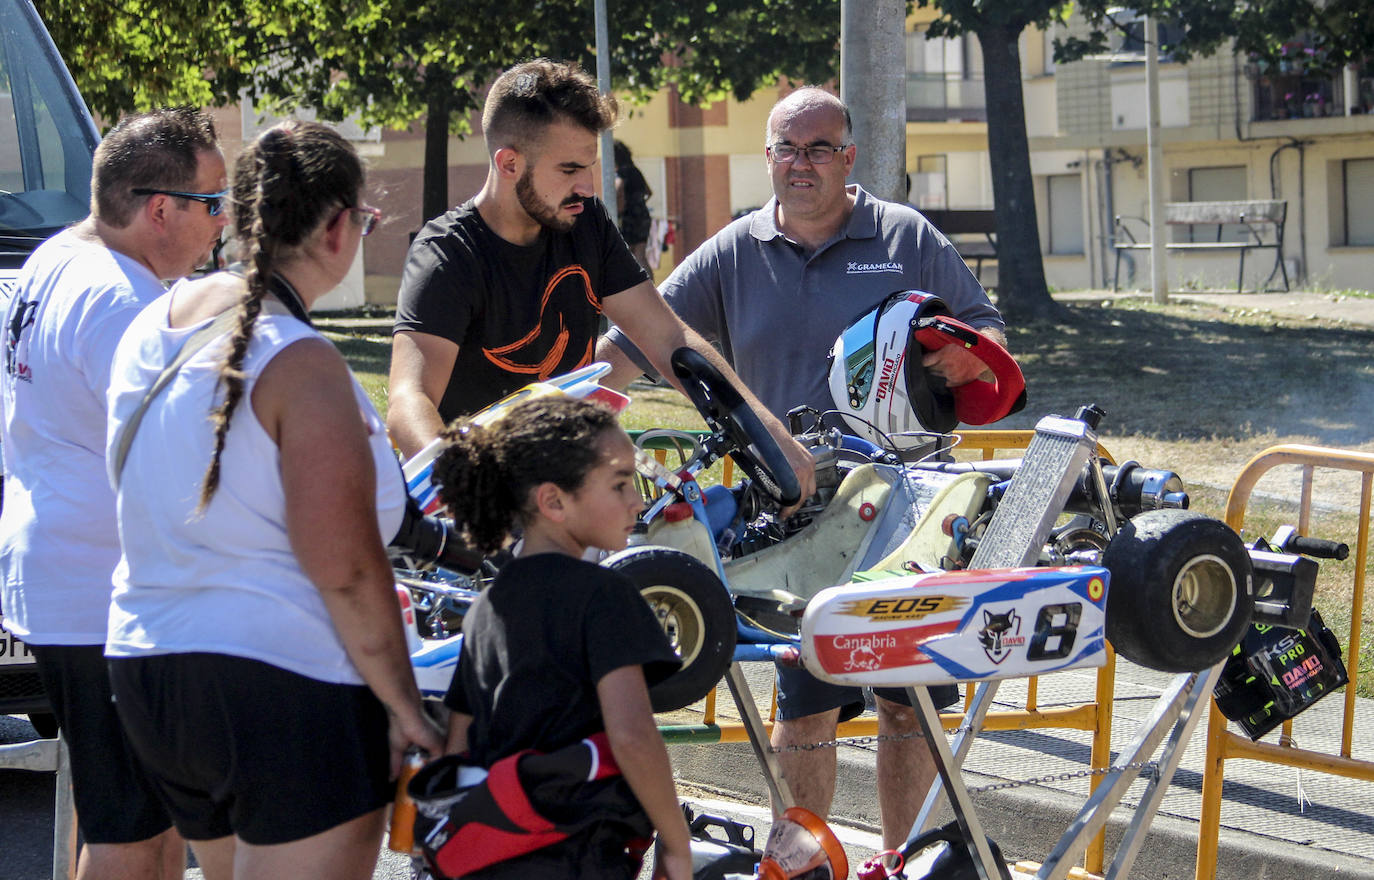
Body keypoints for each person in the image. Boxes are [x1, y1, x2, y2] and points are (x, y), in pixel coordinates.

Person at [595, 87, 1008, 847]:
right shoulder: (732, 251)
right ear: (768, 158)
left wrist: (956, 355)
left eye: (820, 148)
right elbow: (635, 339)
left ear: (849, 158)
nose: (802, 164)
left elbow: (987, 338)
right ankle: (802, 861)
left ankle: (898, 860)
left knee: (905, 701)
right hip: (791, 514)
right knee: (805, 703)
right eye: (788, 148)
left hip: (912, 512)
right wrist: (599, 393)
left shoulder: (903, 234)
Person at [104, 121, 443, 880]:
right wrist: (408, 709)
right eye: (364, 220)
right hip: (281, 679)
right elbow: (347, 570)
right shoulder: (302, 362)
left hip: (149, 671)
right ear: (334, 226)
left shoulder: (151, 323)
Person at [386, 58, 813, 506]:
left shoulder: (584, 223)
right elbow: (409, 402)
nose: (589, 188)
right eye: (570, 170)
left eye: (590, 167)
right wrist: (472, 495)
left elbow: (669, 338)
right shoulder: (448, 255)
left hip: (573, 492)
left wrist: (768, 435)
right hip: (482, 515)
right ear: (509, 163)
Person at [0, 107, 229, 880]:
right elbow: (178, 461)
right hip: (101, 590)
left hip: (66, 571)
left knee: (139, 822)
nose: (221, 222)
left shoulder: (59, 253)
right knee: (132, 833)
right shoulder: (124, 305)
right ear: (160, 208)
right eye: (212, 202)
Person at [429, 395, 689, 879]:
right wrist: (676, 845)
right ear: (553, 501)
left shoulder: (488, 606)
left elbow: (458, 746)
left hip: (494, 855)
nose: (637, 500)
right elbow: (632, 737)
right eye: (619, 484)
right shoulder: (605, 597)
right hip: (577, 855)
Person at [614, 139, 654, 274]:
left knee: (628, 256)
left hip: (629, 218)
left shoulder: (622, 173)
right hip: (643, 215)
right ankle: (652, 288)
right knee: (641, 255)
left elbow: (618, 191)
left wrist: (618, 210)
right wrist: (639, 204)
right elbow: (649, 192)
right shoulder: (636, 170)